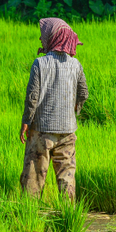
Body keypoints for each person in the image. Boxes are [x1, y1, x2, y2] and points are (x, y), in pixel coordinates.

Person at [20, 18, 89, 201]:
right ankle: (68, 220)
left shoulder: (40, 64)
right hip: (67, 132)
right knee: (67, 180)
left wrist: (26, 122)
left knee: (33, 179)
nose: (41, 39)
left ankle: (29, 218)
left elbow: (32, 97)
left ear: (53, 37)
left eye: (43, 36)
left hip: (41, 131)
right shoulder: (76, 65)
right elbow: (83, 93)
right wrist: (73, 110)